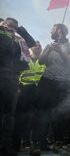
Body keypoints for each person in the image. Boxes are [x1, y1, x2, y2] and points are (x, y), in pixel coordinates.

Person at [31, 23, 70, 155]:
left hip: (63, 84)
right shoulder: (49, 45)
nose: (51, 30)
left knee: (60, 113)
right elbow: (40, 61)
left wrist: (61, 51)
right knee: (42, 112)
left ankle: (57, 142)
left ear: (60, 30)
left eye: (53, 28)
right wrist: (48, 50)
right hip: (46, 82)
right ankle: (38, 143)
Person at [0, 17, 35, 155]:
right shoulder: (1, 32)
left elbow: (31, 43)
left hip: (12, 80)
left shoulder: (19, 39)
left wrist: (20, 29)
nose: (13, 30)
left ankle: (6, 146)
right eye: (11, 26)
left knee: (10, 114)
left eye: (15, 28)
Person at [13, 41, 45, 151]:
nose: (37, 47)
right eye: (35, 45)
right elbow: (17, 73)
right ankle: (23, 141)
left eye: (39, 46)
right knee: (23, 117)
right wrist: (17, 87)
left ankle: (35, 142)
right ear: (31, 48)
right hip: (24, 90)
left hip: (39, 91)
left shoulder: (44, 61)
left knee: (37, 118)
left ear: (41, 49)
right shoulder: (25, 59)